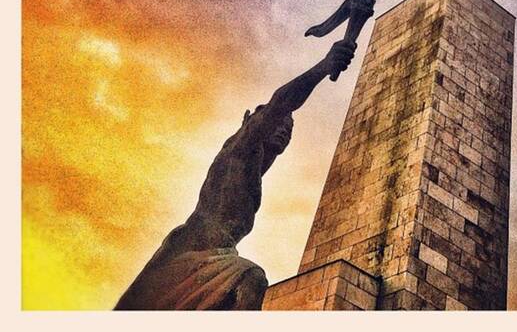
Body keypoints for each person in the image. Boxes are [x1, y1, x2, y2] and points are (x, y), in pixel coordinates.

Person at [115, 39, 357, 310]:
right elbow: (280, 103)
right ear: (250, 122)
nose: (284, 129)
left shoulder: (252, 171)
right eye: (279, 122)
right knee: (252, 278)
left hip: (216, 255)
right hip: (191, 256)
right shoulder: (238, 150)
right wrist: (323, 67)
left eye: (289, 129)